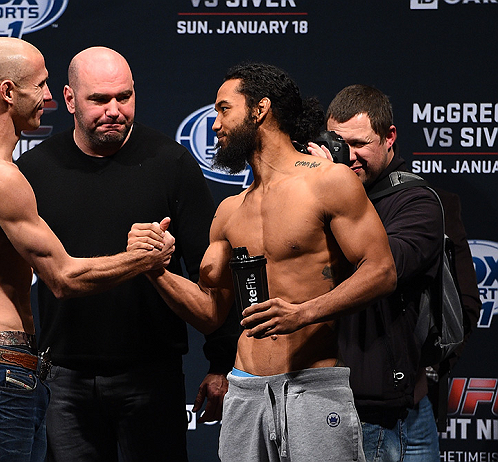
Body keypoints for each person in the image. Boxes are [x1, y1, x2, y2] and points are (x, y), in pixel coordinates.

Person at [129, 63, 397, 462]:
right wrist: (153, 269)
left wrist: (304, 312)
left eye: (224, 109)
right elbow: (209, 312)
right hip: (245, 391)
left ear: (260, 110)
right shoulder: (229, 211)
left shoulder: (328, 181)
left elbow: (381, 271)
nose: (216, 125)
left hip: (314, 385)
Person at [0, 37, 174, 462]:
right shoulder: (0, 176)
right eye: (40, 86)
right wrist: (143, 257)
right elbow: (63, 278)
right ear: (8, 92)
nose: (49, 97)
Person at [16, 46, 239, 462]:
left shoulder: (170, 163)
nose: (114, 109)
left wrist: (221, 363)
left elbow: (213, 271)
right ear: (68, 100)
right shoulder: (36, 170)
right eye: (99, 100)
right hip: (64, 377)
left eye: (124, 96)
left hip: (152, 375)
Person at [307, 84, 449, 461]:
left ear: (389, 138)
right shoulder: (314, 193)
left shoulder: (417, 202)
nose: (348, 157)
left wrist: (334, 187)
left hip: (394, 416)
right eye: (338, 143)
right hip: (325, 405)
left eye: (359, 144)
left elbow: (383, 267)